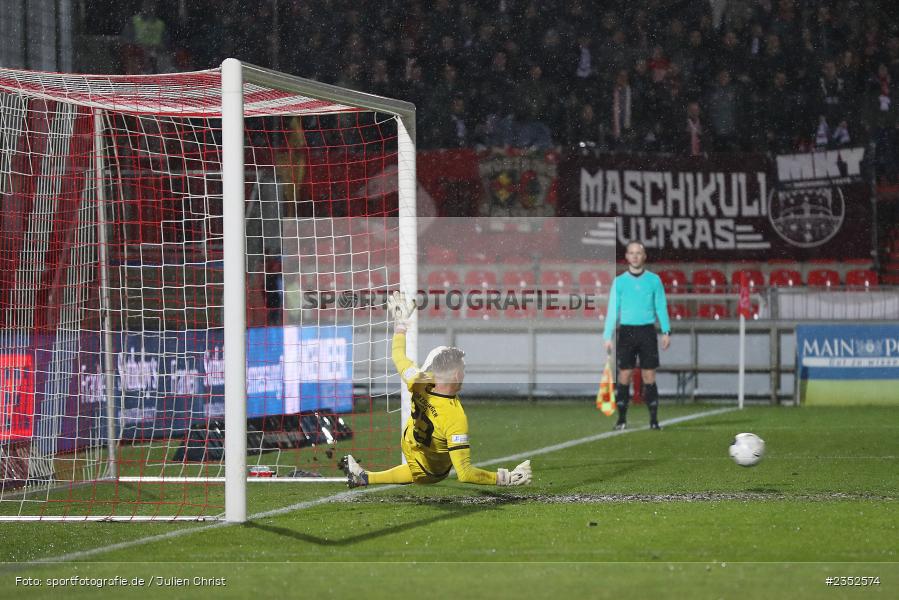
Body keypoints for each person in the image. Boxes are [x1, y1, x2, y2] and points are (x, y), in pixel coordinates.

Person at [339, 291, 532, 488]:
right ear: (456, 375)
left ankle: (363, 478)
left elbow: (398, 356)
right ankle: (365, 477)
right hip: (431, 470)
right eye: (463, 369)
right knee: (427, 460)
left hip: (411, 443)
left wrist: (400, 326)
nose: (465, 372)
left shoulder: (418, 379)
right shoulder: (455, 417)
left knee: (416, 456)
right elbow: (464, 473)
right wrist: (504, 478)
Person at [603, 241, 671, 431]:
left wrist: (666, 331)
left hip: (647, 331)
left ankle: (654, 420)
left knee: (649, 375)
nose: (634, 256)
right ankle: (622, 419)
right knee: (624, 375)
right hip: (626, 332)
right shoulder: (619, 282)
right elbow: (612, 311)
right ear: (626, 256)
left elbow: (661, 306)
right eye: (631, 253)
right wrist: (607, 336)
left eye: (638, 253)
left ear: (644, 256)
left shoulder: (654, 280)